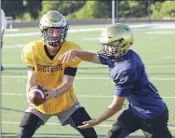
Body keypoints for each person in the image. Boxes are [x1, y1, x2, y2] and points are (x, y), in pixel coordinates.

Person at [59, 23, 173, 138]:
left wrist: (97, 120)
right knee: (113, 135)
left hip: (152, 115)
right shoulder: (121, 54)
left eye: (110, 45)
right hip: (135, 110)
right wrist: (76, 52)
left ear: (122, 44)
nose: (106, 48)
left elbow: (117, 105)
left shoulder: (126, 69)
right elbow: (93, 57)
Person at [17, 10, 97, 138]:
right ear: (43, 31)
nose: (55, 34)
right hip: (41, 102)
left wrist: (54, 93)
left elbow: (68, 82)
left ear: (64, 31)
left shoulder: (71, 50)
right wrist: (30, 94)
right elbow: (31, 79)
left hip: (66, 102)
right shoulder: (32, 50)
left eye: (59, 30)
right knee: (23, 133)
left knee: (91, 133)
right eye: (51, 31)